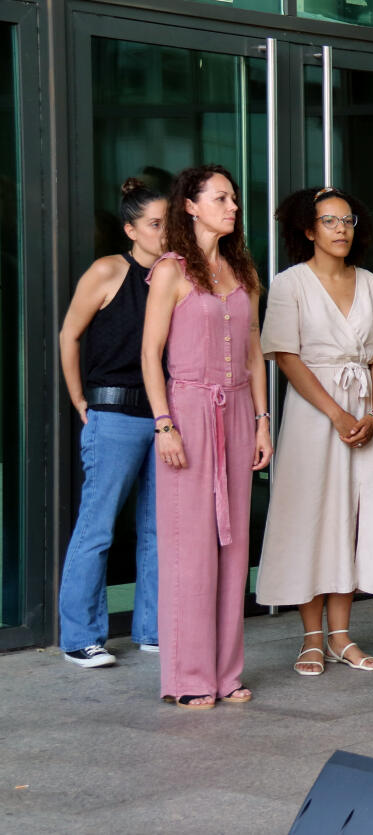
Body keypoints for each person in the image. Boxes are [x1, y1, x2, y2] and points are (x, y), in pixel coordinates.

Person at [255, 186, 373, 676]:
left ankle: (342, 637)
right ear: (307, 230)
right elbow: (286, 357)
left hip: (364, 414)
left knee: (354, 520)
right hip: (312, 415)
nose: (341, 230)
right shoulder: (289, 283)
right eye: (329, 222)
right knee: (312, 519)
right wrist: (336, 414)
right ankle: (311, 638)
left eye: (347, 221)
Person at [141, 164, 274, 709]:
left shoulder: (240, 268)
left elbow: (253, 350)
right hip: (188, 410)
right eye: (220, 197)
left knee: (233, 544)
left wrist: (264, 420)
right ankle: (189, 677)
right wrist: (163, 422)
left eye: (234, 198)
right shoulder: (171, 271)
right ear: (190, 206)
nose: (233, 206)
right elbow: (150, 354)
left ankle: (226, 673)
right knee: (188, 548)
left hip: (239, 409)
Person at [57, 178, 166, 668]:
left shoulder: (176, 276)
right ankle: (80, 636)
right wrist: (79, 398)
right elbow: (69, 335)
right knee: (97, 528)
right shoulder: (108, 270)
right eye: (155, 224)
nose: (165, 233)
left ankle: (154, 629)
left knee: (160, 528)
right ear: (131, 229)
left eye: (171, 224)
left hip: (164, 416)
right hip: (114, 413)